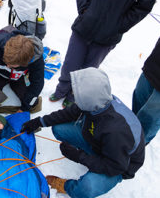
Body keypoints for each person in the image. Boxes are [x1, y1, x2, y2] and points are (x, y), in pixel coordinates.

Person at [21, 67, 145, 198]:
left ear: (88, 97)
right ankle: (92, 156)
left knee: (87, 188)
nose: (73, 94)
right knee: (59, 129)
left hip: (118, 165)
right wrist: (39, 122)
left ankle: (68, 187)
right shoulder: (98, 99)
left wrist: (79, 156)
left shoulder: (116, 132)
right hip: (100, 144)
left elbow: (115, 166)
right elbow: (69, 113)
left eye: (77, 93)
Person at [50, 0, 156, 107]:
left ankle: (75, 94)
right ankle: (62, 88)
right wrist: (85, 10)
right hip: (85, 24)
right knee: (71, 62)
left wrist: (120, 24)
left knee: (89, 68)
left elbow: (144, 6)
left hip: (108, 34)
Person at [0, 30, 44, 112]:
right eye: (5, 61)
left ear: (25, 62)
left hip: (19, 77)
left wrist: (24, 107)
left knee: (31, 102)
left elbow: (37, 83)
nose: (7, 66)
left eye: (12, 65)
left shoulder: (36, 60)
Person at [132, 37, 160, 144]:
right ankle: (121, 141)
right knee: (133, 114)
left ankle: (132, 154)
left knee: (147, 123)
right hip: (151, 69)